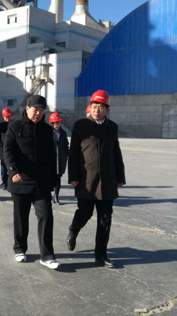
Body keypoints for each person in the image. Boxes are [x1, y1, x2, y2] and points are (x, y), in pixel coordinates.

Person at [67, 90, 126, 268]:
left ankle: (101, 255)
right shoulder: (80, 125)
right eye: (94, 106)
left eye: (100, 107)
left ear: (107, 109)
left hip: (107, 180)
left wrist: (120, 176)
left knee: (105, 219)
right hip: (86, 179)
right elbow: (73, 152)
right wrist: (73, 176)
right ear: (90, 107)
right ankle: (74, 229)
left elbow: (116, 152)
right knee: (85, 213)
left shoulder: (112, 127)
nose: (97, 110)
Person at [3, 95, 60, 269]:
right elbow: (8, 150)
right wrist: (13, 170)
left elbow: (52, 156)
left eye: (41, 110)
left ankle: (47, 256)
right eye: (35, 109)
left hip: (41, 182)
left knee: (46, 216)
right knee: (21, 218)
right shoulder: (15, 126)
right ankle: (20, 249)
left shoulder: (47, 130)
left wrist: (54, 179)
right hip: (20, 180)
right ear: (27, 109)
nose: (38, 113)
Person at [49, 112, 69, 205]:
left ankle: (56, 196)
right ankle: (48, 195)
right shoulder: (48, 132)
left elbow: (66, 146)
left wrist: (68, 155)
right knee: (49, 178)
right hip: (50, 160)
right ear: (51, 123)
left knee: (58, 179)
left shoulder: (63, 133)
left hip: (60, 160)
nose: (57, 125)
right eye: (55, 123)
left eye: (58, 122)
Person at [0, 108, 13, 190]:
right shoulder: (0, 126)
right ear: (3, 117)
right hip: (3, 149)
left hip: (12, 149)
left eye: (9, 116)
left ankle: (11, 182)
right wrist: (0, 144)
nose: (8, 118)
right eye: (6, 116)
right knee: (3, 167)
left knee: (12, 167)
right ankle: (4, 183)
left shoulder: (14, 125)